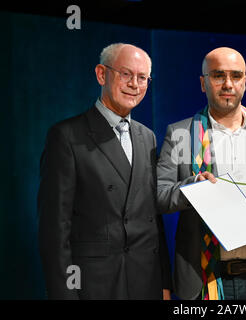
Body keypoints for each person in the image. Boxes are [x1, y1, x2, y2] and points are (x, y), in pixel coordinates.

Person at [38, 43, 171, 299]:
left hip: (146, 282)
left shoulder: (148, 137)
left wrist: (164, 282)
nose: (134, 83)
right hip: (95, 285)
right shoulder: (66, 136)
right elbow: (55, 230)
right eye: (126, 74)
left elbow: (152, 218)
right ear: (101, 74)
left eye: (142, 77)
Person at [157, 47, 246, 300]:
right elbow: (160, 196)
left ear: (245, 82)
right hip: (207, 277)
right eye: (218, 76)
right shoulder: (181, 133)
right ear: (203, 83)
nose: (228, 84)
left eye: (236, 76)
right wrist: (194, 186)